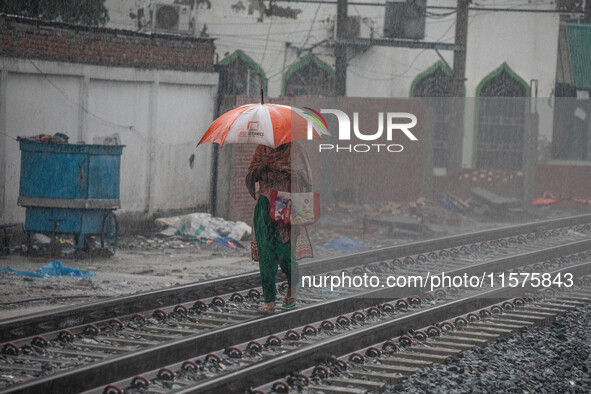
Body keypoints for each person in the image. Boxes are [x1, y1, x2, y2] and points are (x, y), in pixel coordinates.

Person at [245, 142, 313, 314]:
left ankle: (293, 282)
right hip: (265, 204)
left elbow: (306, 179)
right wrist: (261, 169)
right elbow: (250, 177)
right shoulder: (261, 149)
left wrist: (287, 171)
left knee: (284, 253)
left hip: (286, 202)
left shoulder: (295, 149)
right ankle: (269, 300)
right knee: (266, 254)